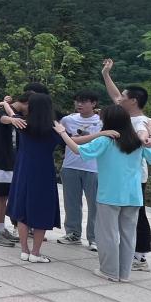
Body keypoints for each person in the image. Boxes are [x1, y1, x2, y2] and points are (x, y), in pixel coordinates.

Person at [61, 104, 151, 282]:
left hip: (110, 194)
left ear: (108, 121)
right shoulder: (137, 140)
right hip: (133, 195)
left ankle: (109, 271)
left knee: (108, 234)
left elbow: (78, 150)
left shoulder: (106, 140)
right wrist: (150, 132)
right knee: (128, 235)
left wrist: (62, 133)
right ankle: (124, 274)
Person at [3, 91, 80, 263]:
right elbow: (75, 142)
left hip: (23, 170)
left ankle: (24, 250)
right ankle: (35, 253)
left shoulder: (22, 123)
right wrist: (100, 134)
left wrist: (5, 104)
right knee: (42, 209)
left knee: (22, 210)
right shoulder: (54, 129)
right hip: (44, 172)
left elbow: (7, 114)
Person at [102, 59, 151, 272]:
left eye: (124, 96)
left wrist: (145, 137)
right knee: (128, 215)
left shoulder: (141, 121)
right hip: (123, 175)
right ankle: (128, 252)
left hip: (135, 176)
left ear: (133, 101)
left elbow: (143, 134)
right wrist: (106, 74)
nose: (119, 98)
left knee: (137, 215)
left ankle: (140, 256)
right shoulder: (126, 116)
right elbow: (115, 95)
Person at [57, 91, 102, 251]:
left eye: (84, 101)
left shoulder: (101, 122)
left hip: (94, 168)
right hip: (70, 166)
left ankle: (95, 238)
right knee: (71, 203)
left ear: (94, 103)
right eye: (77, 101)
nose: (79, 104)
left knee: (95, 205)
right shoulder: (67, 120)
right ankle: (73, 234)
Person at [0, 94, 29, 247]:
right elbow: (1, 118)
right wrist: (10, 117)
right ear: (25, 102)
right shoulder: (3, 110)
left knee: (4, 197)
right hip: (0, 160)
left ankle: (1, 229)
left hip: (11, 162)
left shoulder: (12, 111)